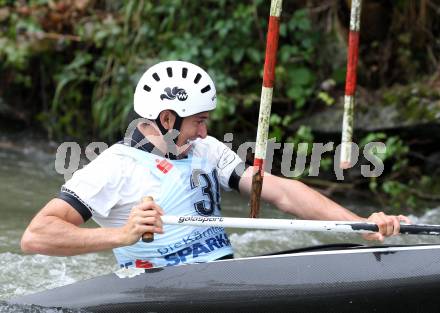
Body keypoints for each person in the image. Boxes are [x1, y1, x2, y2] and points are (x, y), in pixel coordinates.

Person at [21, 60, 411, 269]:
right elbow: (37, 236)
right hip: (156, 290)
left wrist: (359, 225)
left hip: (222, 279)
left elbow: (282, 191)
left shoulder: (206, 153)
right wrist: (122, 236)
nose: (206, 131)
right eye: (199, 121)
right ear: (168, 120)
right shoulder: (113, 167)